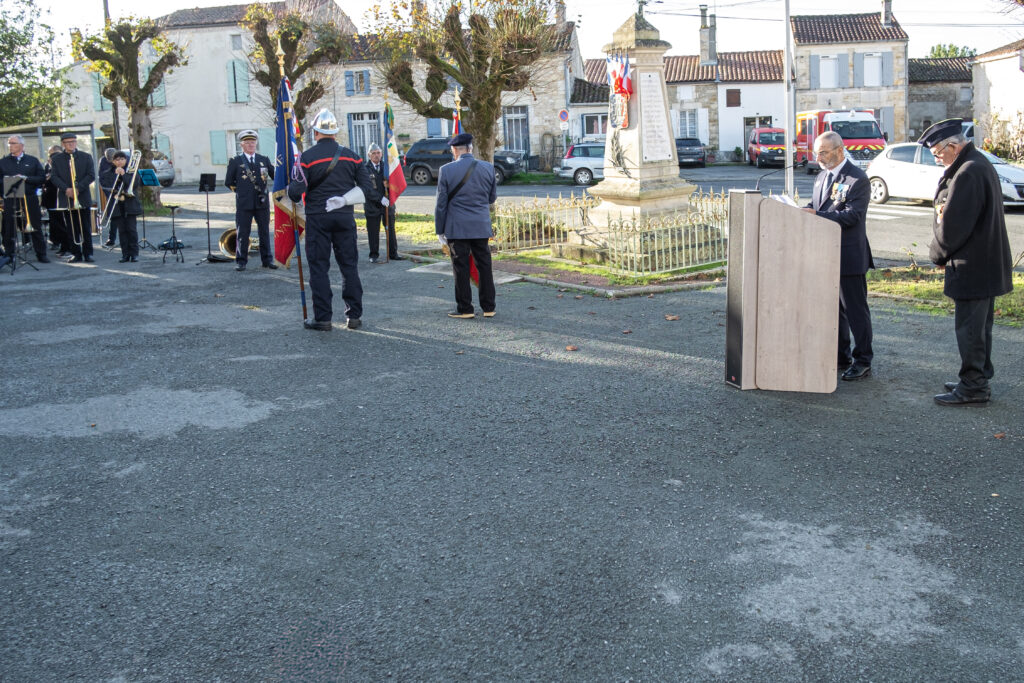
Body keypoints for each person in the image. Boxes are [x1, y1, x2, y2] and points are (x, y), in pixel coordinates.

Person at [918, 119, 1013, 406]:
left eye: (937, 152)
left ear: (954, 146)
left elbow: (953, 227)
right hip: (984, 264)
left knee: (970, 330)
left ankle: (974, 386)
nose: (936, 158)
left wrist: (936, 255)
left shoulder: (968, 172)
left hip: (973, 266)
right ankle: (977, 377)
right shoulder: (974, 164)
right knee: (980, 328)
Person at [287, 109, 373, 331]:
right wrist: (344, 199)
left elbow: (296, 193)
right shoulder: (353, 156)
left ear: (315, 132)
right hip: (345, 216)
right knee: (349, 267)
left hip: (317, 217)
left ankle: (323, 318)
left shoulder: (305, 158)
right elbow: (366, 188)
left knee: (319, 267)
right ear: (335, 132)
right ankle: (354, 316)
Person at [803, 130, 873, 381]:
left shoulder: (857, 179)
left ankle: (863, 359)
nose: (819, 157)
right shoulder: (822, 176)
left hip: (849, 256)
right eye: (816, 153)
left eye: (823, 152)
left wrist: (817, 216)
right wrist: (803, 210)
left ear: (840, 150)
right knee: (833, 311)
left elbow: (853, 216)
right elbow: (817, 206)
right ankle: (840, 357)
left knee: (855, 311)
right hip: (825, 254)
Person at [434, 132, 497, 319]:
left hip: (457, 227)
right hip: (480, 225)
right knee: (484, 266)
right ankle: (489, 307)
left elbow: (441, 204)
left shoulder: (446, 170)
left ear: (454, 150)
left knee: (460, 267)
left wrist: (440, 230)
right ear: (470, 148)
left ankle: (465, 308)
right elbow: (491, 198)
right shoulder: (488, 168)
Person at [225, 130, 276, 271]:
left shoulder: (263, 160)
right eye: (247, 143)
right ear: (241, 145)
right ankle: (241, 261)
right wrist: (241, 193)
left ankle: (267, 260)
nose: (250, 145)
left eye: (253, 142)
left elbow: (275, 176)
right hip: (244, 203)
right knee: (243, 233)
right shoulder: (235, 162)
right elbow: (228, 181)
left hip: (262, 202)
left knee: (264, 232)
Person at [1, 134, 50, 263]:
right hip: (11, 198)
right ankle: (9, 255)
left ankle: (41, 254)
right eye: (9, 143)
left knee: (35, 225)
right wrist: (7, 183)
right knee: (9, 227)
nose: (10, 146)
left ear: (21, 146)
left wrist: (26, 178)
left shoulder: (32, 161)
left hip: (29, 197)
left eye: (13, 143)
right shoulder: (3, 162)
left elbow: (42, 178)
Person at [48, 132, 95, 263]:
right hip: (67, 196)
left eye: (73, 142)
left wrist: (78, 188)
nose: (71, 144)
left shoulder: (86, 157)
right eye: (68, 142)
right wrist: (66, 189)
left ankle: (88, 253)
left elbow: (91, 175)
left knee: (85, 226)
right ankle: (76, 253)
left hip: (82, 196)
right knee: (71, 227)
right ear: (63, 144)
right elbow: (54, 177)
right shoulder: (57, 159)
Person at [363, 142, 403, 263]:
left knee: (390, 229)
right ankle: (374, 255)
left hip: (387, 205)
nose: (376, 155)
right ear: (369, 155)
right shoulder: (364, 169)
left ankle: (393, 253)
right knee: (373, 231)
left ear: (382, 154)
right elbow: (366, 188)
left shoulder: (388, 167)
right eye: (373, 153)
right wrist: (380, 198)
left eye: (378, 153)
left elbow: (396, 184)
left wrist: (389, 186)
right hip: (372, 205)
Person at [99, 150, 141, 263]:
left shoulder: (132, 171)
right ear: (113, 161)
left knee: (131, 230)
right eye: (117, 160)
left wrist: (123, 174)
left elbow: (135, 184)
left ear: (126, 160)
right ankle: (125, 255)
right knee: (122, 231)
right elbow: (107, 186)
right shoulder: (109, 172)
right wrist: (116, 178)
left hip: (130, 205)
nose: (119, 162)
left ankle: (134, 254)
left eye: (122, 159)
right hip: (117, 205)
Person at [42, 145, 69, 256]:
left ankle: (66, 247)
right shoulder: (49, 166)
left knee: (62, 225)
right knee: (56, 224)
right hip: (51, 199)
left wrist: (49, 178)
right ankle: (59, 244)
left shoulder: (63, 165)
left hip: (60, 199)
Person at [98, 147, 118, 247]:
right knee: (112, 215)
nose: (111, 162)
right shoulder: (103, 161)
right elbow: (101, 176)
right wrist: (108, 189)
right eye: (109, 160)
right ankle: (111, 238)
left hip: (121, 190)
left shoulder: (122, 159)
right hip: (109, 191)